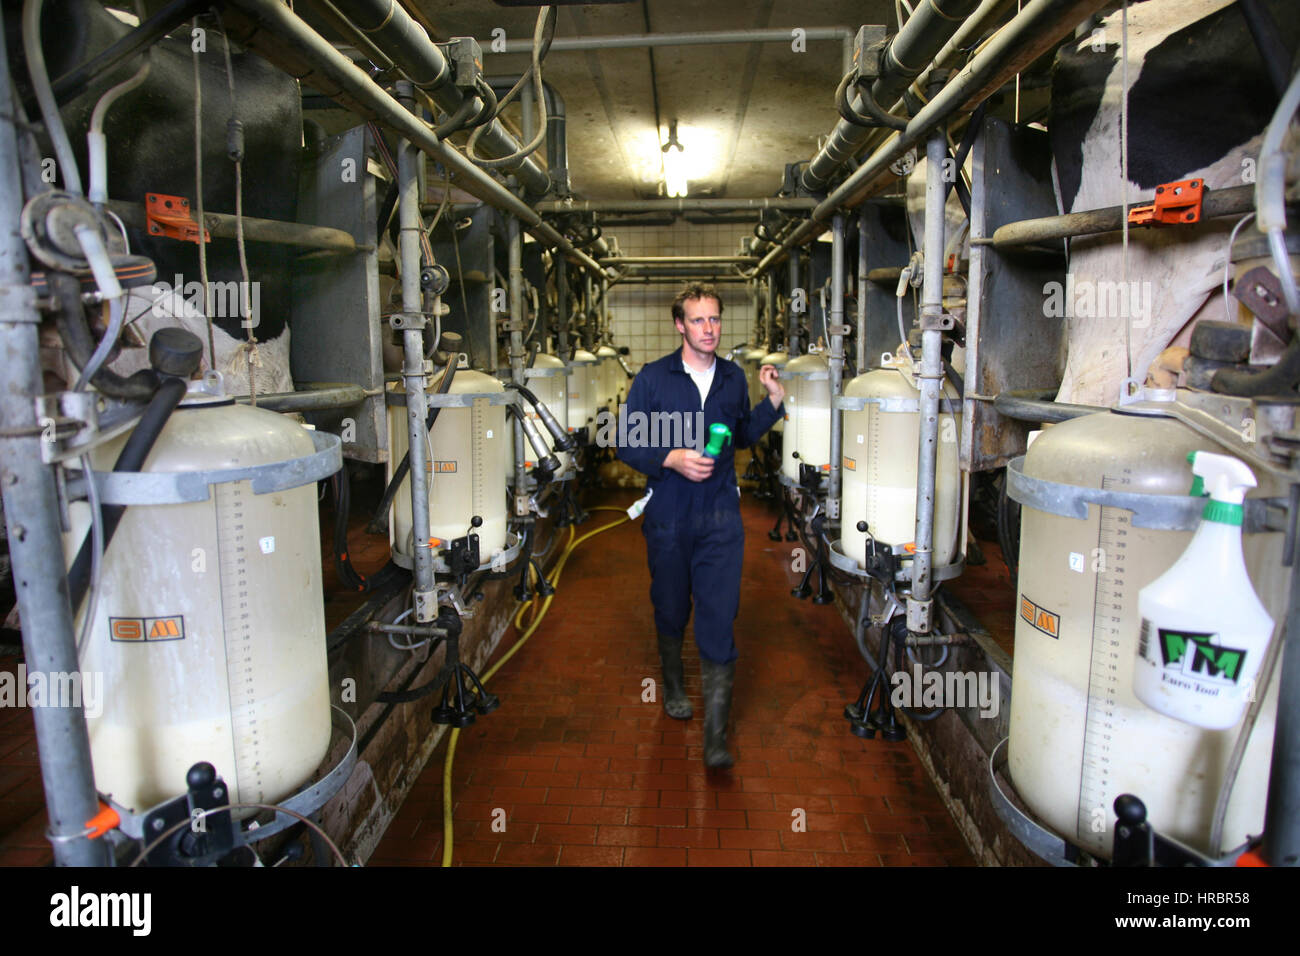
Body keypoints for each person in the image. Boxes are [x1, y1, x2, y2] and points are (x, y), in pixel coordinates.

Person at [616, 283, 785, 769]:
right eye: (698, 320)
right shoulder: (653, 379)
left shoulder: (734, 378)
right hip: (668, 514)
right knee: (670, 606)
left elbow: (744, 434)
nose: (708, 329)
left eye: (714, 319)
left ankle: (715, 738)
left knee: (718, 613)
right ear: (679, 325)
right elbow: (626, 445)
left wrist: (772, 402)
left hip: (719, 518)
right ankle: (672, 684)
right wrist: (670, 456)